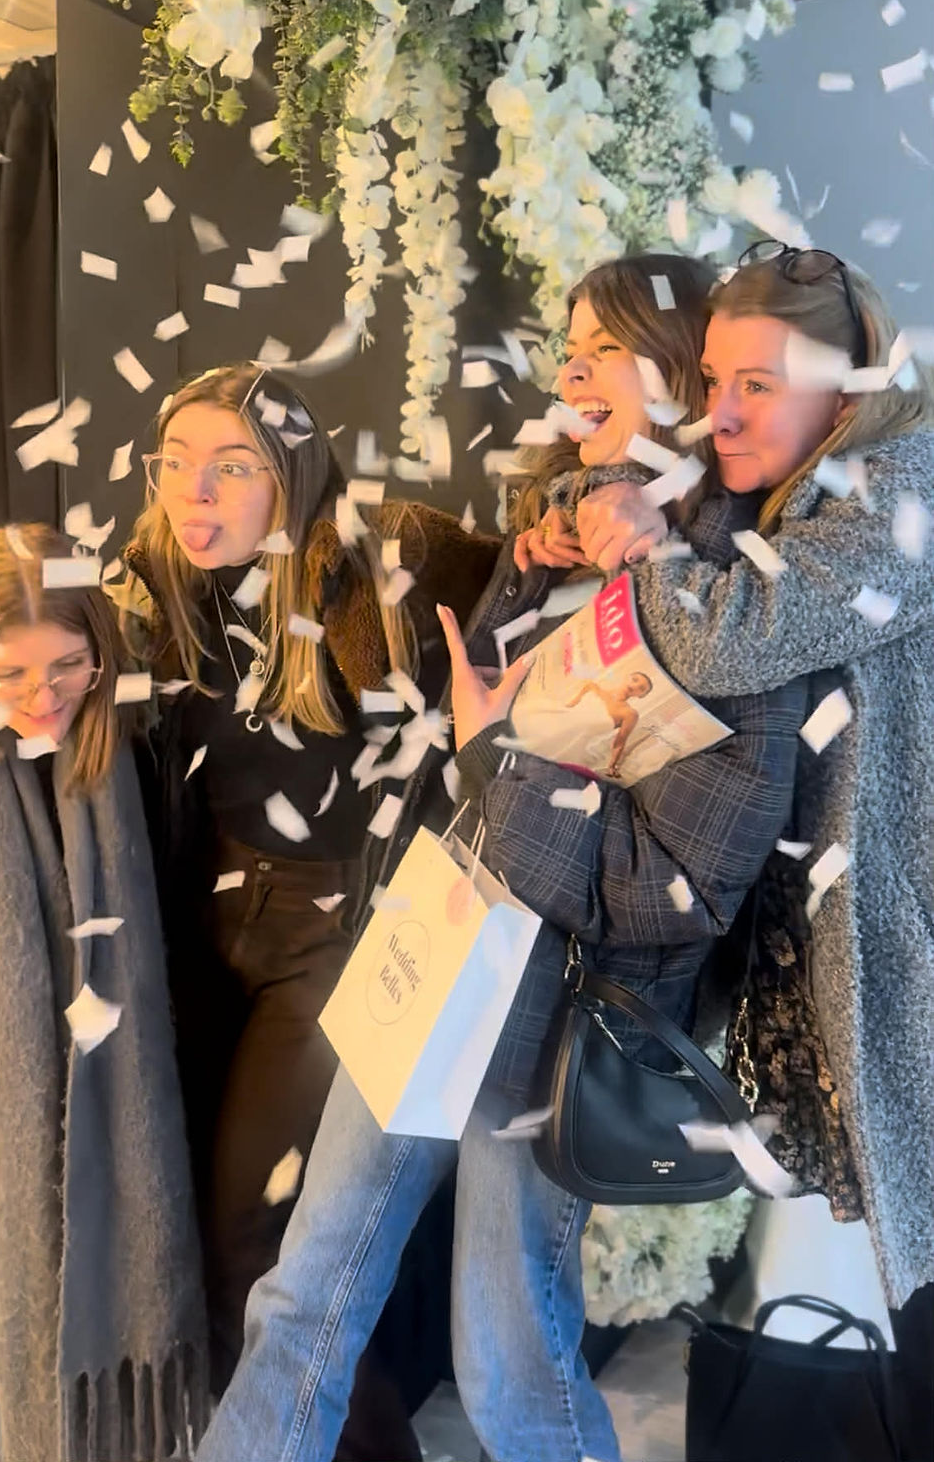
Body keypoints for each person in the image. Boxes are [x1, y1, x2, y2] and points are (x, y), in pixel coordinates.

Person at [194, 254, 809, 1462]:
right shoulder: (546, 544)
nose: (569, 367)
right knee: (301, 1294)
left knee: (506, 1357)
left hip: (563, 1013)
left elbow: (683, 884)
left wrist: (504, 761)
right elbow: (471, 772)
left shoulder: (736, 596)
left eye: (605, 346)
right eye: (565, 342)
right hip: (438, 964)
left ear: (683, 376)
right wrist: (506, 660)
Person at [114, 362, 498, 1457]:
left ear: (290, 474)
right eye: (176, 465)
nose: (196, 491)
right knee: (195, 1243)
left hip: (327, 944)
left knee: (260, 1243)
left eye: (231, 466)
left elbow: (515, 572)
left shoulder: (369, 573)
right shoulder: (148, 586)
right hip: (204, 938)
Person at [555, 242, 934, 1319]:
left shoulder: (901, 499)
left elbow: (732, 639)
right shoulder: (802, 494)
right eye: (713, 380)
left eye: (755, 385)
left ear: (849, 383)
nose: (719, 413)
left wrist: (643, 549)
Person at [0, 524, 207, 1462]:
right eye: (7, 674)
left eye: (67, 665)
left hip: (116, 1060)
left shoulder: (130, 733)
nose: (41, 696)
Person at [564, 669, 654, 776]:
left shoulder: (629, 714)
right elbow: (569, 706)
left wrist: (611, 766)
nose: (634, 686)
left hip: (574, 743)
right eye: (634, 680)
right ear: (626, 677)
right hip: (560, 724)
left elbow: (620, 742)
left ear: (641, 696)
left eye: (641, 688)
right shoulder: (591, 687)